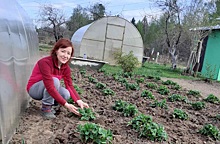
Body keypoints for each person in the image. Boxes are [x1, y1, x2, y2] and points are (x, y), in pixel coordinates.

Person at [26, 38, 89, 119]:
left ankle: (53, 107)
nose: (65, 56)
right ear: (56, 51)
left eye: (68, 53)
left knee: (66, 93)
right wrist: (66, 105)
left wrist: (78, 101)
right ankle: (46, 109)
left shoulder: (66, 68)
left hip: (48, 88)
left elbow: (69, 86)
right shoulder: (45, 63)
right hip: (34, 89)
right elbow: (50, 87)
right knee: (54, 81)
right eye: (63, 51)